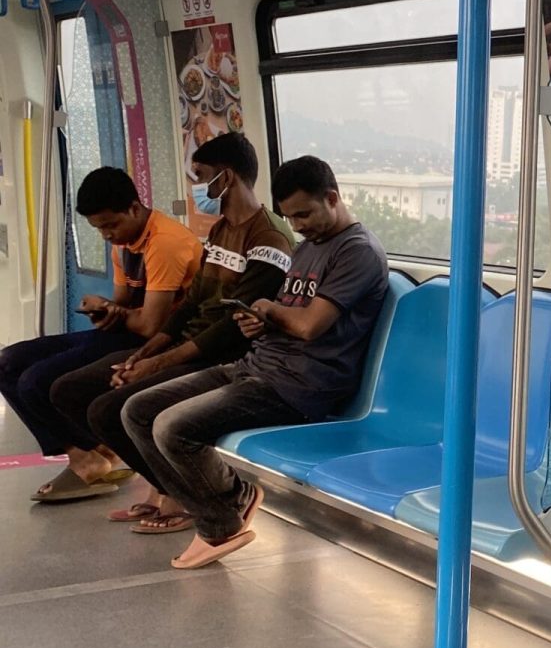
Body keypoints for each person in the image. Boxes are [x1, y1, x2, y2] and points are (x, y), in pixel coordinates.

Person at [121, 156, 389, 570]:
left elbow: (309, 326)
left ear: (333, 198)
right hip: (258, 366)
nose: (296, 225)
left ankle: (219, 523)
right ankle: (233, 497)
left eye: (303, 214)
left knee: (172, 428)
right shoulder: (309, 247)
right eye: (289, 216)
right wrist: (259, 322)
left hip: (300, 385)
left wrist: (269, 309)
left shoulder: (358, 252)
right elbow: (288, 314)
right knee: (137, 410)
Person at [46, 132, 294, 532]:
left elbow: (232, 328)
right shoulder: (221, 229)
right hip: (183, 345)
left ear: (226, 177)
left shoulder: (269, 238)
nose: (197, 187)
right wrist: (146, 353)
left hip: (221, 356)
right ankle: (171, 488)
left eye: (201, 176)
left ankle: (198, 498)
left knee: (111, 410)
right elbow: (193, 302)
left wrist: (160, 363)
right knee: (70, 390)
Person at [0, 167, 203, 504]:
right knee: (8, 362)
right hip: (127, 332)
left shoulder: (166, 242)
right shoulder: (123, 243)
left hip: (162, 340)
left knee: (35, 381)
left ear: (134, 208)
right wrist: (103, 309)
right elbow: (123, 304)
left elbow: (150, 326)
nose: (107, 234)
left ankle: (101, 453)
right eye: (99, 228)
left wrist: (116, 313)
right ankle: (86, 454)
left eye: (111, 225)